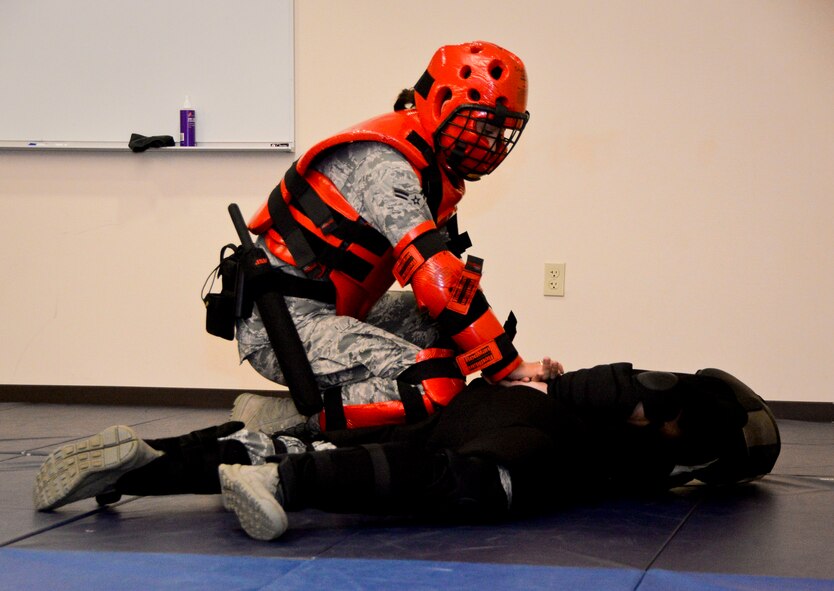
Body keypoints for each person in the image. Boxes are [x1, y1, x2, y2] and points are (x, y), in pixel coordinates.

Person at [216, 40, 556, 435]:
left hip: (335, 309)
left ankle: (378, 411)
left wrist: (499, 362)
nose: (492, 143)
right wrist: (509, 368)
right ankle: (288, 420)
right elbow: (439, 279)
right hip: (283, 327)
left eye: (500, 130)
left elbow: (451, 290)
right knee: (431, 383)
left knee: (444, 333)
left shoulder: (430, 170)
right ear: (445, 102)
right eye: (485, 124)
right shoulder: (386, 165)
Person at [33, 364, 781, 542]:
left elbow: (568, 380)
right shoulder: (669, 433)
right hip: (531, 432)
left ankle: (148, 459)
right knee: (477, 485)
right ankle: (287, 483)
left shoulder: (650, 404)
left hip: (485, 403)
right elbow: (617, 397)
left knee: (345, 437)